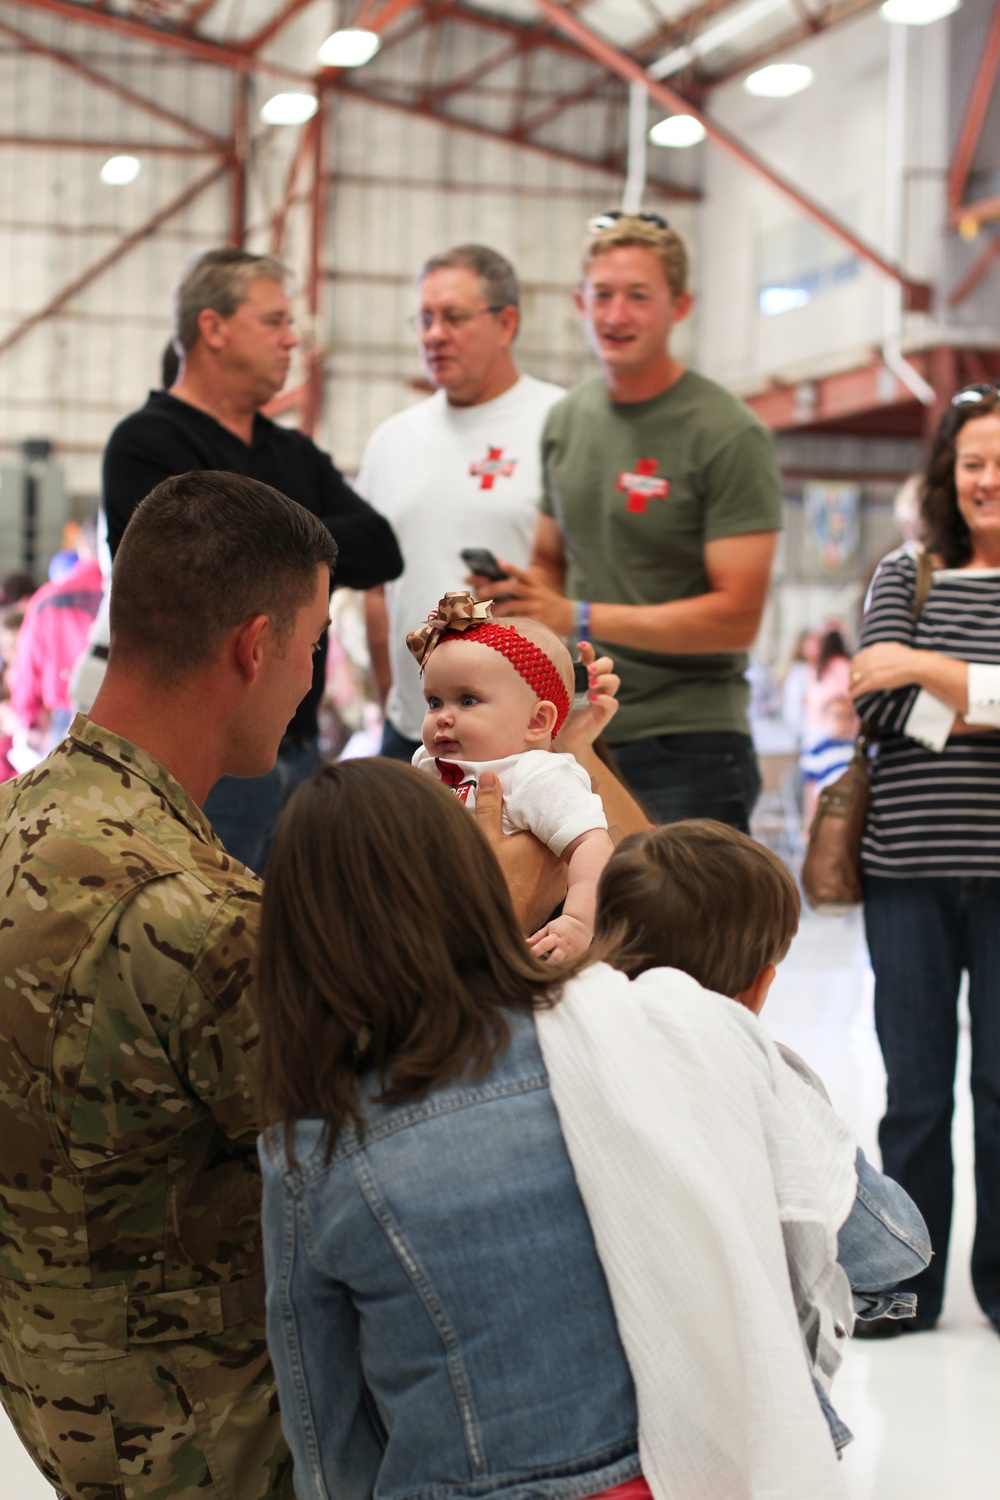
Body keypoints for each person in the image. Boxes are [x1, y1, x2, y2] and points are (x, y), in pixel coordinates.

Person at [255, 759, 867, 1500]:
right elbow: (871, 1239)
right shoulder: (632, 1022)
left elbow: (328, 1436)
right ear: (473, 880)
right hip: (685, 1468)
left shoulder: (312, 1148)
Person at [0, 470, 338, 1500]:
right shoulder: (200, 916)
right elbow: (363, 1166)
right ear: (253, 645)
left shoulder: (22, 824)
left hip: (59, 1406)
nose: (309, 680)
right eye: (311, 646)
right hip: (218, 1444)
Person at [593, 817, 931, 1439]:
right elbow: (896, 1248)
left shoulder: (563, 1042)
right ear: (758, 987)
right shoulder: (760, 1077)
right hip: (721, 1405)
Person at [477, 213, 783, 832]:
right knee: (578, 929)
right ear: (579, 303)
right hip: (575, 728)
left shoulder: (727, 432)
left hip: (687, 738)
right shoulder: (568, 419)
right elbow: (550, 561)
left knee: (687, 927)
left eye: (638, 296)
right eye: (603, 295)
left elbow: (736, 617)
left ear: (680, 306)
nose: (616, 314)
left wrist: (578, 616)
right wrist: (519, 594)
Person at [100, 246, 402, 871]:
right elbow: (197, 576)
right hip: (201, 756)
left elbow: (380, 545)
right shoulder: (147, 443)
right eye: (275, 322)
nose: (292, 340)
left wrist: (259, 542)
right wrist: (303, 545)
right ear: (214, 327)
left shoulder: (290, 450)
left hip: (295, 743)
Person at [850, 383, 1000, 1335]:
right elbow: (873, 699)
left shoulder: (921, 610)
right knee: (913, 1091)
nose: (989, 480)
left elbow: (906, 689)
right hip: (904, 866)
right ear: (950, 474)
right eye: (974, 462)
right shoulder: (908, 572)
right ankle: (906, 1284)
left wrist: (925, 671)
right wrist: (985, 693)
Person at [358, 243, 565, 762]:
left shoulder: (561, 423)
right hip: (412, 732)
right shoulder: (392, 441)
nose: (434, 334)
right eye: (425, 318)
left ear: (506, 322)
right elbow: (378, 590)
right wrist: (397, 697)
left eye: (453, 317)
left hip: (523, 742)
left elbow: (590, 575)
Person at [408, 593, 611, 959]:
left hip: (509, 949)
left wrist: (578, 922)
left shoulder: (536, 774)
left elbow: (592, 845)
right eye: (434, 701)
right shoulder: (426, 760)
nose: (443, 716)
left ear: (536, 722)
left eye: (467, 700)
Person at [7, 512, 103, 755]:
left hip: (65, 720)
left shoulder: (48, 600)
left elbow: (27, 671)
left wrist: (27, 719)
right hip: (125, 716)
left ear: (82, 544)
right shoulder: (136, 594)